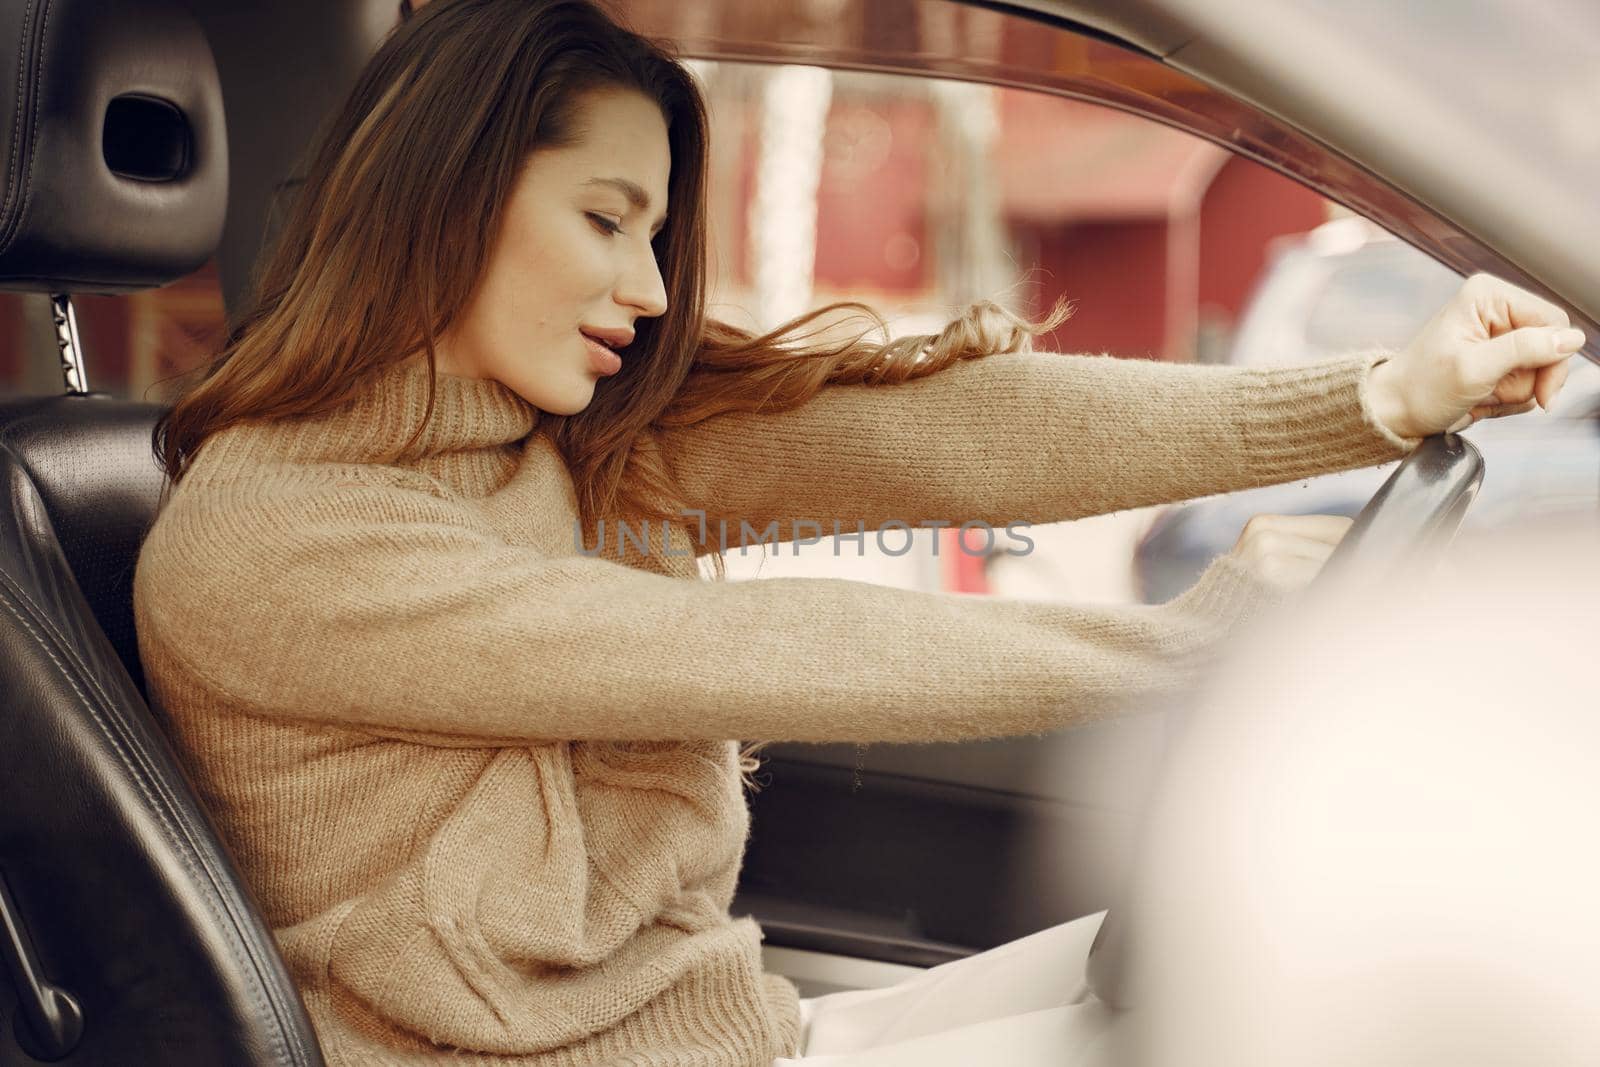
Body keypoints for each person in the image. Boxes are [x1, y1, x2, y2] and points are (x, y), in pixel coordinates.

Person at [131, 1, 1583, 1064]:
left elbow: (950, 434)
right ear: (449, 201)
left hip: (712, 1031)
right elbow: (711, 650)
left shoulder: (549, 434)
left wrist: (1385, 394)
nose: (647, 284)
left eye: (659, 234)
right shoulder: (275, 539)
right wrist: (1186, 649)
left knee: (1243, 968)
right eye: (606, 218)